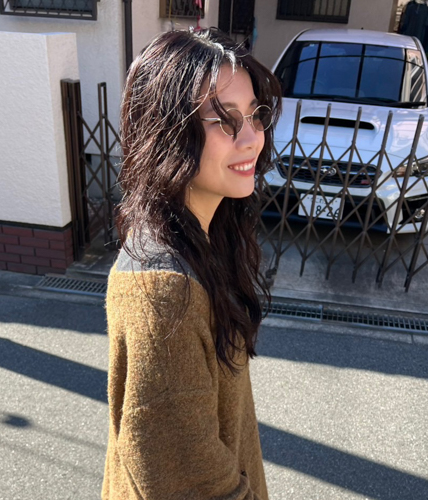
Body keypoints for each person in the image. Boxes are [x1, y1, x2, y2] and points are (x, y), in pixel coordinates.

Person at [102, 27, 281, 500]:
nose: (252, 138)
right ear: (168, 132)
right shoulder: (162, 293)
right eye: (226, 120)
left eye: (255, 115)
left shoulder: (206, 235)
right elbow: (188, 481)